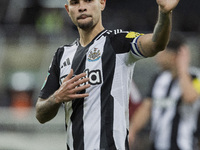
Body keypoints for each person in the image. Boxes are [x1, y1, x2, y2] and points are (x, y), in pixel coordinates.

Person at [35, 0, 180, 149]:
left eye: (89, 0)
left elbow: (156, 43)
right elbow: (40, 113)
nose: (82, 7)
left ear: (102, 3)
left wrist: (164, 13)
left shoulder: (118, 42)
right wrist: (57, 97)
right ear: (68, 9)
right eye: (75, 3)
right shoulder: (62, 55)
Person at [129, 34, 200, 150]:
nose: (157, 57)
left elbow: (190, 97)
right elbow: (146, 108)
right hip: (157, 145)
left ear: (173, 56)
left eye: (162, 53)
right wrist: (132, 130)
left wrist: (182, 68)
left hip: (184, 146)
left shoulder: (196, 76)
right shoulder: (158, 78)